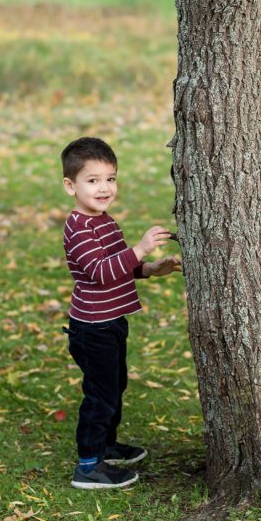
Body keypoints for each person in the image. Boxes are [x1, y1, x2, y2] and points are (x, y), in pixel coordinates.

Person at [60, 137, 182, 489]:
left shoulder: (103, 220)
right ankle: (88, 465)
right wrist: (140, 248)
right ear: (71, 186)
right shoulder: (80, 228)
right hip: (93, 327)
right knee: (100, 393)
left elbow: (119, 268)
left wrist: (149, 268)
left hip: (111, 321)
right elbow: (99, 272)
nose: (104, 188)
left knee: (115, 385)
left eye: (110, 179)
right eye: (93, 180)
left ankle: (106, 446)